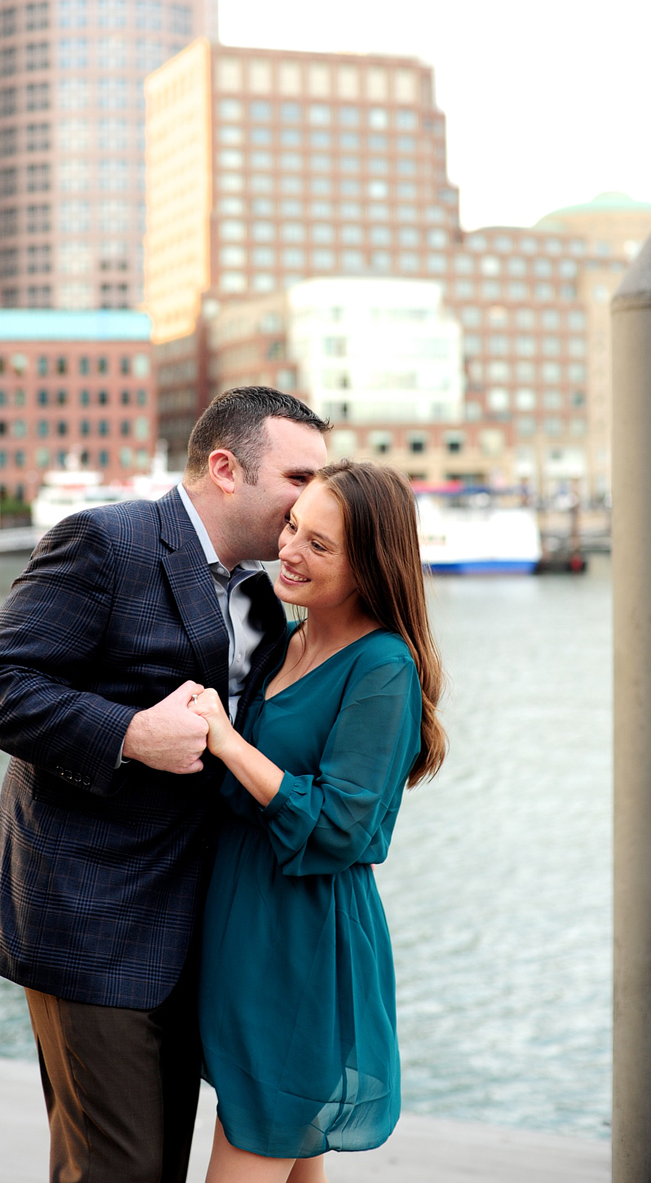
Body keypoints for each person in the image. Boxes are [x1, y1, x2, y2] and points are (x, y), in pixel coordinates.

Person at [0, 387, 329, 1183]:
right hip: (89, 920)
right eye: (300, 477)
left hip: (202, 927)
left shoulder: (263, 590)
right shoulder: (104, 541)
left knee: (152, 1164)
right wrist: (130, 733)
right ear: (226, 468)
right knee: (116, 1170)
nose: (315, 497)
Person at [192, 460, 446, 1183]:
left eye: (321, 545)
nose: (292, 551)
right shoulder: (285, 638)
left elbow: (342, 826)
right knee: (293, 1161)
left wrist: (229, 741)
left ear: (371, 565)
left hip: (300, 947)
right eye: (295, 527)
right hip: (244, 935)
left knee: (260, 1134)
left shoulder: (383, 666)